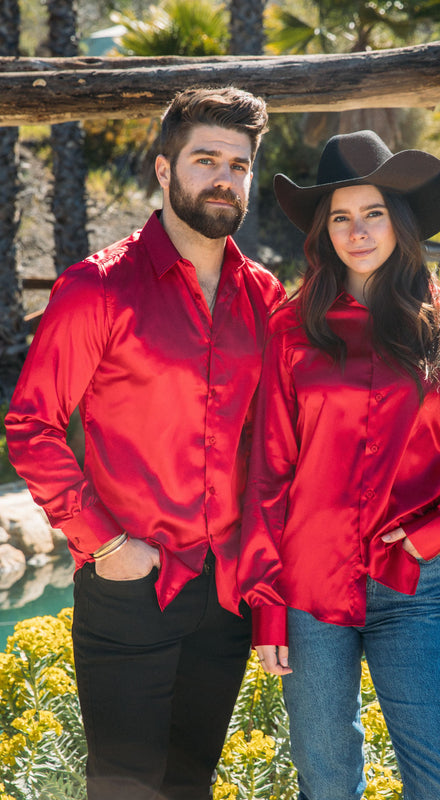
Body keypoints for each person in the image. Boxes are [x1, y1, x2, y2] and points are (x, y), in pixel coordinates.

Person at [5, 86, 285, 800]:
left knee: (190, 786)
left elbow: (272, 451)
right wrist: (103, 543)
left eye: (239, 163)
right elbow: (31, 426)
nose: (223, 177)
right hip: (131, 586)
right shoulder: (98, 288)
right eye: (204, 160)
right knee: (124, 792)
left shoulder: (266, 299)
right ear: (164, 171)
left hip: (225, 595)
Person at [237, 130, 440, 800]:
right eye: (340, 217)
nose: (357, 231)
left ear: (399, 221)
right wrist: (267, 608)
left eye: (372, 213)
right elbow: (268, 472)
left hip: (410, 582)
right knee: (326, 783)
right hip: (309, 590)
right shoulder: (290, 328)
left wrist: (431, 535)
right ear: (323, 232)